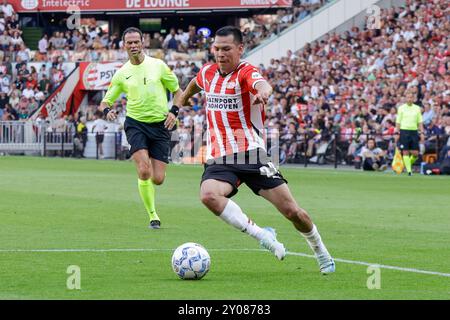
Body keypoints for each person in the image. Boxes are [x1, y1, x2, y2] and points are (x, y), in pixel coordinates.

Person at [173, 26, 335, 274]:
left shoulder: (246, 72)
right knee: (208, 195)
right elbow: (196, 83)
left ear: (240, 49)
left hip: (251, 154)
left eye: (226, 49)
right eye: (217, 48)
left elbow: (262, 85)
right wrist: (182, 99)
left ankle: (320, 251)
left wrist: (263, 93)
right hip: (220, 157)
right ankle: (263, 235)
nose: (220, 53)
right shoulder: (207, 73)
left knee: (293, 212)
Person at [99, 27, 182, 230]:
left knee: (158, 179)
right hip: (135, 124)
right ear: (124, 45)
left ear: (143, 42)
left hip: (160, 125)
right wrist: (107, 111)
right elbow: (105, 101)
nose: (134, 45)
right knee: (144, 171)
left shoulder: (158, 66)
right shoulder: (122, 73)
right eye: (130, 43)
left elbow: (178, 92)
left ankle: (151, 183)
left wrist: (174, 112)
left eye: (137, 42)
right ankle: (153, 215)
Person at [395, 92, 425, 176]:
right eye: (408, 97)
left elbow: (420, 121)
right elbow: (398, 121)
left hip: (414, 131)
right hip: (404, 131)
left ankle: (406, 165)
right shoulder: (401, 108)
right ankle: (409, 171)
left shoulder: (417, 108)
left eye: (411, 97)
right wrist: (397, 132)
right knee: (405, 151)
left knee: (415, 153)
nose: (409, 99)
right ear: (405, 98)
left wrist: (422, 132)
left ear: (413, 98)